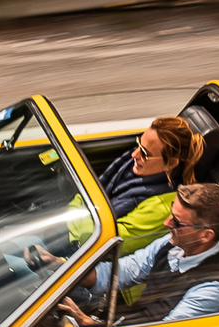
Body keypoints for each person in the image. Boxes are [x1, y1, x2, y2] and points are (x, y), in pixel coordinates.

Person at [22, 115, 204, 272]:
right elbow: (84, 197)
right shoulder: (131, 166)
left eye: (145, 153)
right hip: (75, 242)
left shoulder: (163, 207)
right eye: (138, 143)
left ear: (171, 164)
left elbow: (105, 241)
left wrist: (80, 214)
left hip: (102, 269)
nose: (134, 154)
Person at [60, 183, 219, 327]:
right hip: (125, 325)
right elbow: (124, 271)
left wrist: (89, 324)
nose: (166, 223)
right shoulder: (171, 245)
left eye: (177, 222)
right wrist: (63, 268)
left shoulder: (213, 291)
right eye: (171, 214)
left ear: (205, 236)